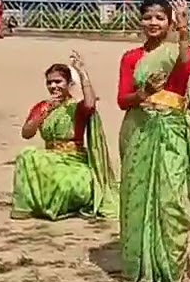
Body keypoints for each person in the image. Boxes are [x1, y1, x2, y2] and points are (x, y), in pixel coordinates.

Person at [117, 0, 190, 282]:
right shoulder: (130, 57)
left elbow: (185, 68)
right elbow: (123, 99)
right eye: (148, 17)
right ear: (140, 21)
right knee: (137, 199)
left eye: (160, 17)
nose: (153, 23)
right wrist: (143, 92)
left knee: (171, 200)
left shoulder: (178, 51)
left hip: (172, 130)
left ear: (170, 22)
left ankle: (171, 266)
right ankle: (141, 264)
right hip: (139, 131)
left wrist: (184, 32)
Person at [11, 54, 117, 221]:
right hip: (50, 159)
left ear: (69, 84)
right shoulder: (43, 106)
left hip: (74, 159)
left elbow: (90, 104)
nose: (53, 86)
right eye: (49, 82)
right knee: (26, 155)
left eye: (58, 82)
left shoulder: (76, 106)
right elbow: (26, 133)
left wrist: (83, 73)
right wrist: (45, 111)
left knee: (67, 185)